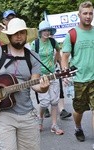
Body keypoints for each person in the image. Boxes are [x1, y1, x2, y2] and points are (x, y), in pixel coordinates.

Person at [0, 18, 50, 150]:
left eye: (22, 33)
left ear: (26, 35)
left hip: (27, 115)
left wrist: (43, 87)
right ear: (9, 35)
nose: (19, 36)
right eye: (15, 33)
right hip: (3, 114)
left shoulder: (33, 57)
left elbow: (35, 84)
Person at [61, 1, 94, 145]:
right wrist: (65, 73)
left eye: (91, 13)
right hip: (79, 79)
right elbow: (65, 57)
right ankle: (78, 127)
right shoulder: (72, 34)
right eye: (85, 13)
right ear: (79, 15)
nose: (88, 16)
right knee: (78, 110)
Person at [31, 20, 64, 135]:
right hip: (40, 76)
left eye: (48, 30)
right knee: (44, 102)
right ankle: (40, 119)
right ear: (40, 32)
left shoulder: (53, 41)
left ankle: (54, 125)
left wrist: (56, 64)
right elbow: (31, 60)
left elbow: (58, 52)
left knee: (54, 101)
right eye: (44, 30)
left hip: (53, 73)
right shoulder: (35, 44)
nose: (46, 32)